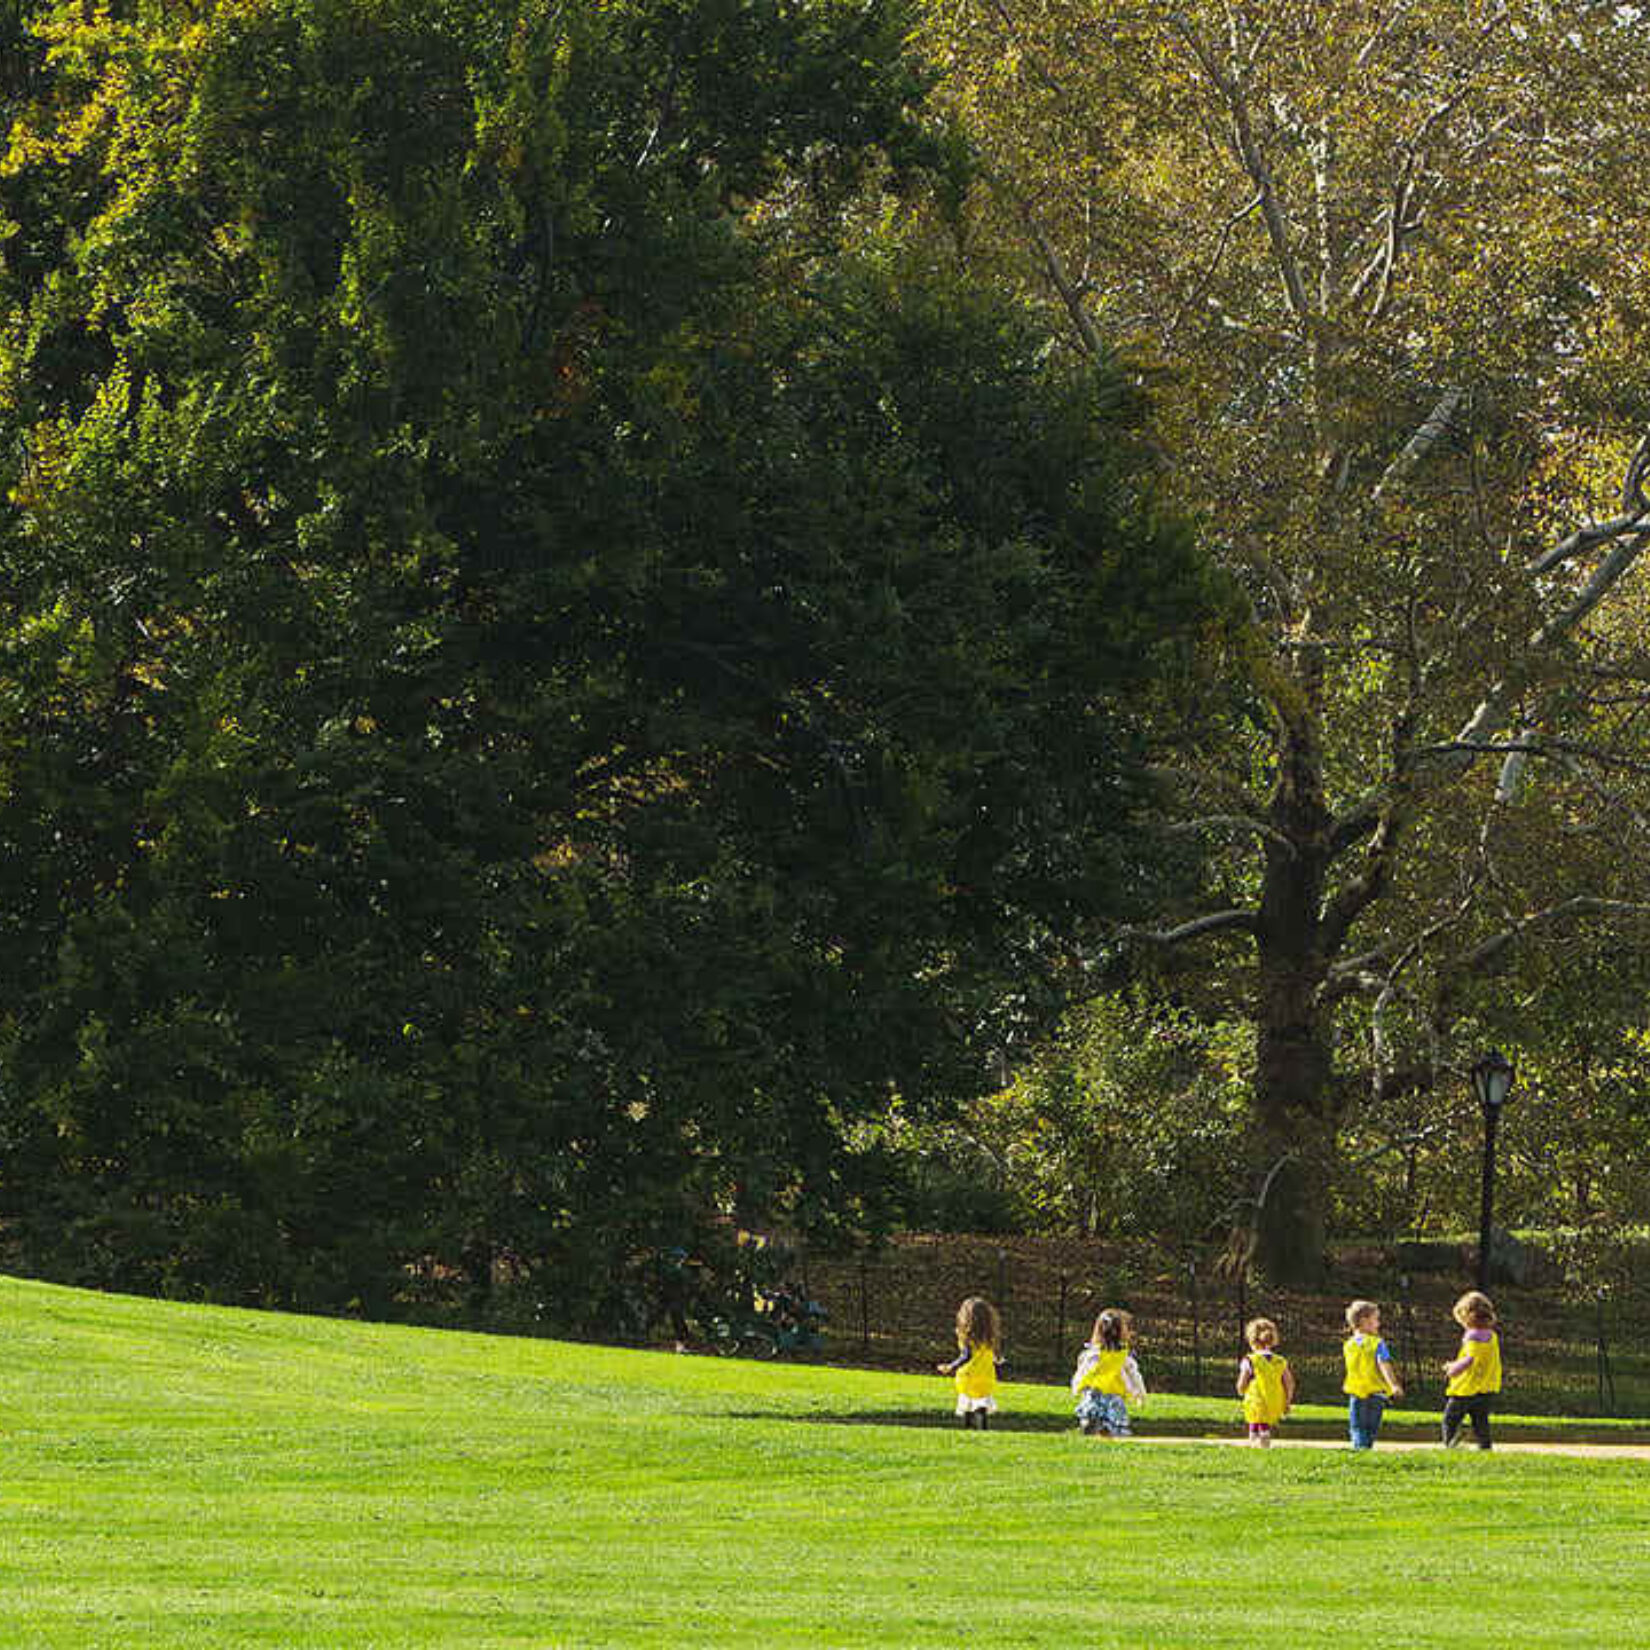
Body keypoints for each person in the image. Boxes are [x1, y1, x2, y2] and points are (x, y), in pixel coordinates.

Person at [1070, 1308, 1147, 1438]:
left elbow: (1082, 1372)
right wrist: (1140, 1394)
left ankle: (1092, 1426)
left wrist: (1076, 1387)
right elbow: (1135, 1377)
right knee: (1115, 1425)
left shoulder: (1092, 1354)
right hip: (1114, 1397)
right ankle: (1106, 1430)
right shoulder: (1124, 1357)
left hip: (1093, 1395)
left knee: (1092, 1416)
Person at [1441, 1289, 1502, 1450]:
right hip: (1486, 1387)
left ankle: (1450, 1444)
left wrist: (1453, 1368)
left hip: (1467, 1388)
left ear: (1467, 1316)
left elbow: (1470, 1359)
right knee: (1480, 1420)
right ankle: (1485, 1446)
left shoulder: (1472, 1336)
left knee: (1450, 1418)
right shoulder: (1492, 1336)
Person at [1343, 1298, 1404, 1450]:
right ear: (1365, 1321)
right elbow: (1384, 1365)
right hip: (1376, 1393)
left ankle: (1360, 1449)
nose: (1379, 1323)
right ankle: (1365, 1449)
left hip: (1356, 1392)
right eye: (1376, 1319)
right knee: (1371, 1427)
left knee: (1357, 1427)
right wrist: (1394, 1385)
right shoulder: (1377, 1343)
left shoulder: (1348, 1345)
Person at [938, 1296, 1003, 1430]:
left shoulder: (967, 1337)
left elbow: (966, 1356)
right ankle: (983, 1428)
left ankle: (969, 1428)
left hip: (968, 1376)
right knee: (981, 1404)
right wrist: (998, 1359)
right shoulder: (990, 1337)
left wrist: (950, 1366)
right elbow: (995, 1354)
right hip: (986, 1376)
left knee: (968, 1403)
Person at [1236, 1316, 1296, 1447]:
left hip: (1257, 1400)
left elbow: (1243, 1380)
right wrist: (1287, 1401)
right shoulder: (1280, 1361)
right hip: (1274, 1401)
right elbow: (1289, 1383)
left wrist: (1241, 1389)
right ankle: (1265, 1442)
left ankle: (1255, 1443)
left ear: (1252, 1341)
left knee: (1254, 1423)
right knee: (1265, 1425)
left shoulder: (1251, 1360)